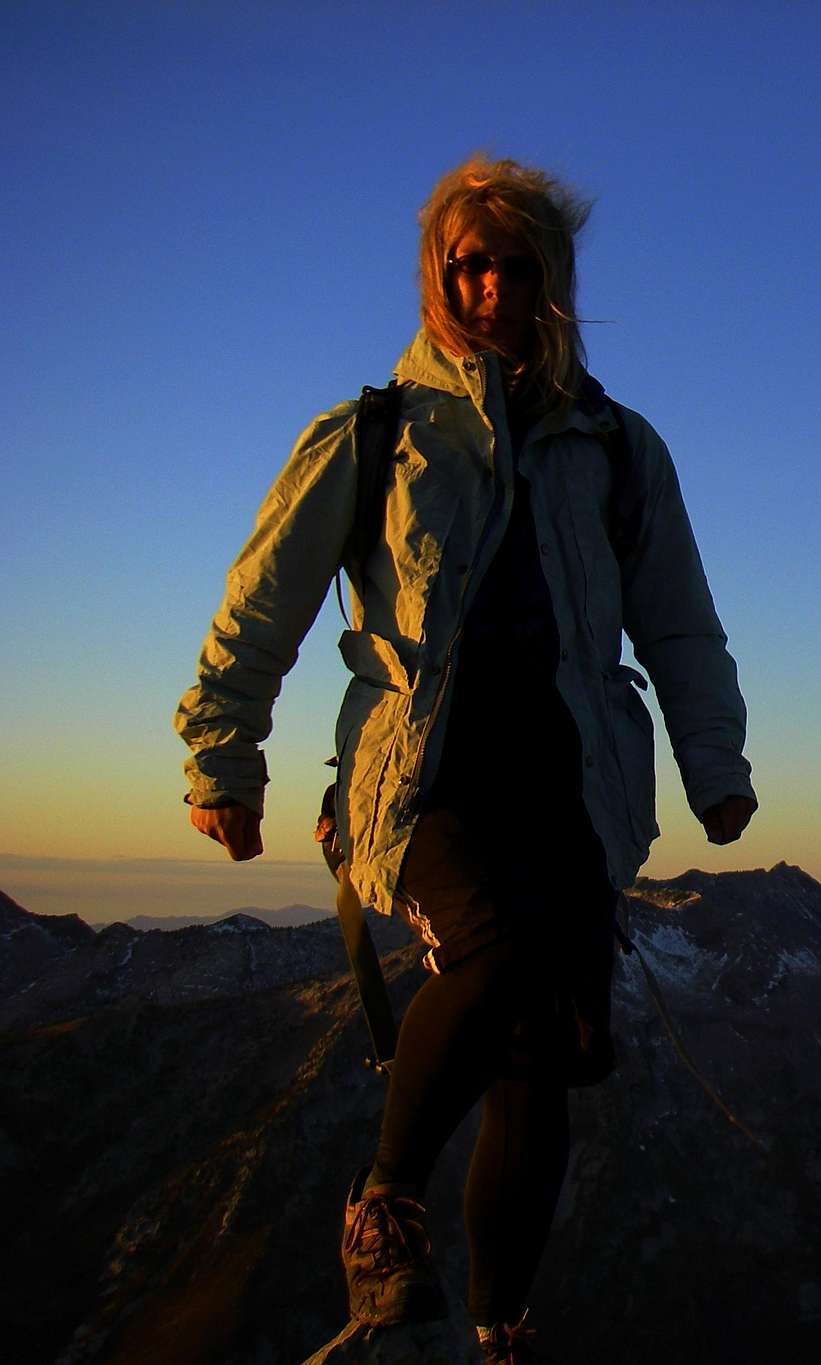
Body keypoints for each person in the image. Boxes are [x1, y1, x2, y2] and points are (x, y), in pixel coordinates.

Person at [175, 156, 757, 1364]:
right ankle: (384, 1204)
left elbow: (679, 621)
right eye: (468, 262)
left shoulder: (617, 450)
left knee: (542, 1057)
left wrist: (715, 767)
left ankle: (502, 1329)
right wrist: (222, 759)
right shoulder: (374, 435)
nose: (491, 283)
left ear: (552, 276)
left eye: (515, 260)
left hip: (571, 783)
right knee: (489, 959)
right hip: (424, 777)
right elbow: (263, 601)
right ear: (439, 275)